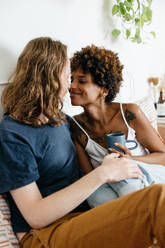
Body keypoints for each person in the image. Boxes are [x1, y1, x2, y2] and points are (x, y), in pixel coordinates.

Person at [0, 37, 165, 248]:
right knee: (156, 200)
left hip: (86, 215)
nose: (70, 86)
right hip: (45, 232)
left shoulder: (60, 121)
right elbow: (35, 216)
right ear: (49, 77)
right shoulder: (13, 134)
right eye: (68, 76)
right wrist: (103, 173)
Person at [70, 44, 165, 207]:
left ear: (104, 89)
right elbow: (89, 177)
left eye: (82, 81)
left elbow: (162, 155)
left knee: (127, 182)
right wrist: (109, 170)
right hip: (107, 182)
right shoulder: (75, 126)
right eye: (72, 79)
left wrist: (130, 159)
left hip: (143, 176)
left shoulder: (129, 112)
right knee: (95, 197)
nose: (71, 86)